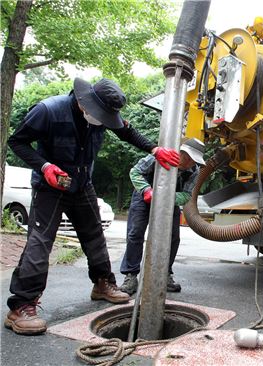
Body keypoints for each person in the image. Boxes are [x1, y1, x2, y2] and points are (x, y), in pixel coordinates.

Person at [5, 78, 181, 335]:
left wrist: (155, 149)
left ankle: (102, 284)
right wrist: (44, 166)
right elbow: (17, 142)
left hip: (81, 184)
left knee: (94, 236)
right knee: (39, 243)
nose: (104, 121)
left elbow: (126, 131)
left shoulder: (104, 116)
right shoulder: (48, 111)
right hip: (50, 186)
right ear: (83, 102)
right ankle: (21, 306)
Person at [119, 138, 204, 295]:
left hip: (169, 201)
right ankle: (130, 276)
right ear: (182, 152)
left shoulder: (194, 171)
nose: (191, 163)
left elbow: (186, 196)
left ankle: (165, 274)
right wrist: (145, 190)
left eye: (195, 160)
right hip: (143, 196)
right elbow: (135, 171)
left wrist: (164, 196)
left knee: (173, 237)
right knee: (135, 234)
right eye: (189, 158)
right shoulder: (160, 156)